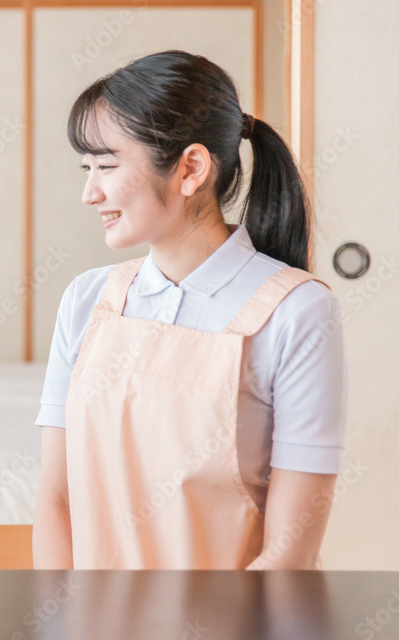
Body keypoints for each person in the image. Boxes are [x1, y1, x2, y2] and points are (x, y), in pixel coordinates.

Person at [32, 51, 347, 570]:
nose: (90, 192)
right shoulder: (87, 299)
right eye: (87, 168)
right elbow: (56, 500)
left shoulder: (299, 312)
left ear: (191, 169)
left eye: (107, 166)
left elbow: (289, 553)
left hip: (237, 639)